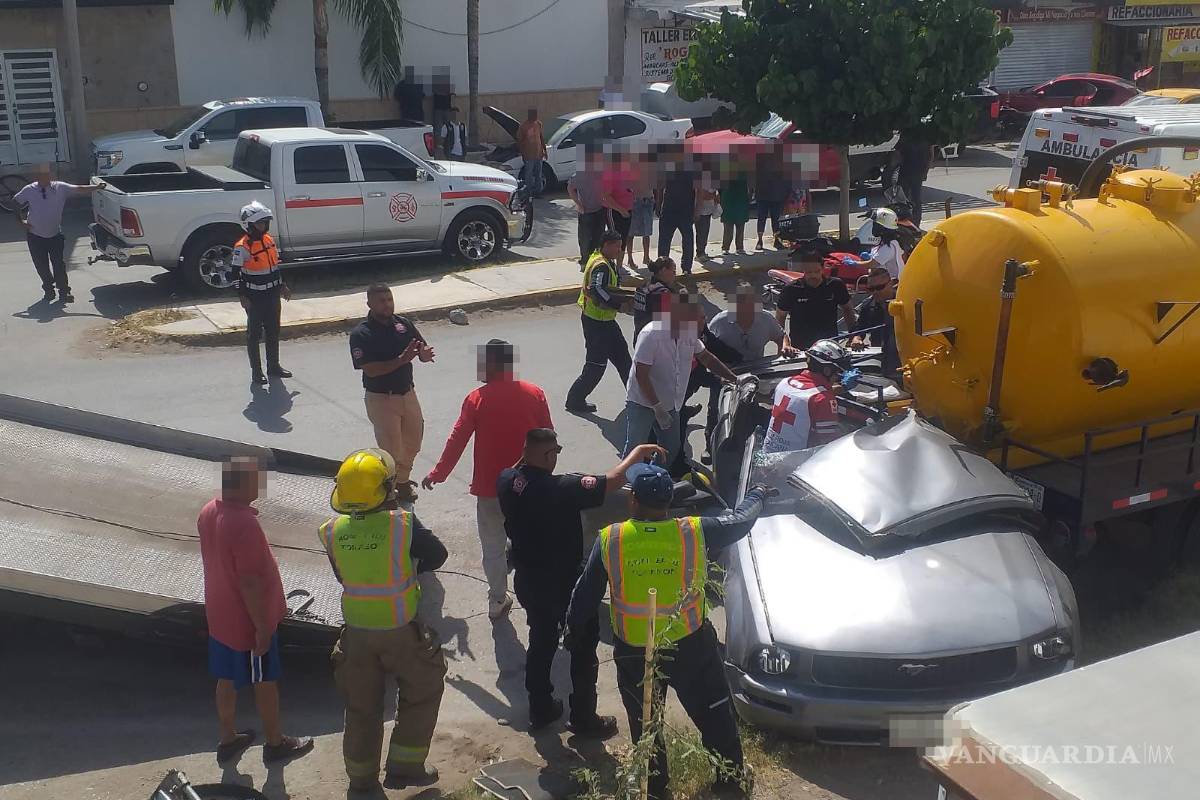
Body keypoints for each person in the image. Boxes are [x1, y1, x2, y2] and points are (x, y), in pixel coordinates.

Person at [566, 464, 771, 800]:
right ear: (668, 502)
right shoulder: (692, 531)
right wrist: (758, 495)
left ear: (633, 500)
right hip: (690, 645)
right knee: (714, 712)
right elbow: (739, 522)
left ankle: (656, 789)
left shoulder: (612, 538)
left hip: (635, 650)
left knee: (645, 722)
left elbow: (585, 594)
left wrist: (573, 631)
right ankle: (730, 780)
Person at [497, 431, 665, 733]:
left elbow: (519, 467)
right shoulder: (561, 488)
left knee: (541, 640)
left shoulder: (507, 481)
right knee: (583, 644)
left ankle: (541, 708)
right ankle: (584, 717)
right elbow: (612, 482)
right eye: (555, 452)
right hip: (563, 583)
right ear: (548, 456)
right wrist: (638, 451)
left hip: (528, 580)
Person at [320, 449, 448, 792]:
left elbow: (342, 573)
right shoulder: (403, 524)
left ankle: (361, 783)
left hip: (357, 635)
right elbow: (438, 554)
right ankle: (405, 768)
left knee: (361, 708)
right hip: (401, 631)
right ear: (388, 489)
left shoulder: (332, 531)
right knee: (422, 691)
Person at [421, 340, 552, 620]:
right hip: (529, 486)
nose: (478, 368)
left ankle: (497, 599)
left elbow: (458, 440)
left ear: (493, 364)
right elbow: (549, 438)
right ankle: (538, 597)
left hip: (491, 490)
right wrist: (545, 479)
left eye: (482, 362)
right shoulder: (534, 393)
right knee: (532, 542)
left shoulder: (477, 398)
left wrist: (438, 473)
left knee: (493, 546)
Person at [198, 456, 313, 766]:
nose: (261, 484)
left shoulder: (209, 510)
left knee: (225, 679)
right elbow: (249, 583)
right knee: (265, 682)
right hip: (247, 625)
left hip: (220, 619)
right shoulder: (244, 524)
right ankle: (276, 744)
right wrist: (262, 628)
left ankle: (227, 739)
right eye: (256, 479)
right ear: (243, 486)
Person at [626, 292, 737, 466]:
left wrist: (734, 379)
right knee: (635, 449)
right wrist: (657, 408)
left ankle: (653, 478)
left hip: (670, 403)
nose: (704, 321)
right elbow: (641, 374)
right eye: (700, 317)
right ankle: (625, 486)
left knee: (670, 448)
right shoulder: (651, 334)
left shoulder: (689, 333)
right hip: (643, 402)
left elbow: (707, 358)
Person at [349, 284, 436, 504]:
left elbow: (420, 349)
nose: (387, 304)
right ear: (369, 304)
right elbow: (370, 369)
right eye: (381, 301)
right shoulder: (361, 334)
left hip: (407, 393)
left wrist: (424, 355)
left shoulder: (403, 325)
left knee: (413, 443)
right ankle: (387, 492)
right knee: (391, 451)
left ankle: (402, 482)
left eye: (389, 299)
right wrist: (401, 360)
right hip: (381, 399)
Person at [13, 162, 105, 304]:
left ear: (51, 176)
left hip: (55, 234)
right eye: (42, 175)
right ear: (37, 177)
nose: (45, 178)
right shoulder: (29, 190)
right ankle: (49, 290)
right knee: (41, 265)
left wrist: (97, 187)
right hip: (35, 235)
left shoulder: (60, 187)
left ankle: (64, 291)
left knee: (58, 264)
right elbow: (15, 203)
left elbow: (79, 189)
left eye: (47, 175)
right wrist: (20, 221)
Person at [565, 231, 632, 414]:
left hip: (606, 321)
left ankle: (636, 398)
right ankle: (574, 400)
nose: (619, 250)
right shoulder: (601, 265)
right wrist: (617, 305)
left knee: (624, 360)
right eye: (616, 246)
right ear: (605, 245)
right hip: (597, 323)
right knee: (596, 365)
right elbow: (597, 289)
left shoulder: (601, 259)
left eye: (620, 246)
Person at [233, 201, 292, 385]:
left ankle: (273, 366)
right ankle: (256, 372)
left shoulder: (268, 240)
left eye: (265, 223)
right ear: (249, 225)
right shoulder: (242, 246)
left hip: (273, 295)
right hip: (254, 298)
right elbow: (235, 274)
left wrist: (283, 285)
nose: (264, 226)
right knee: (254, 335)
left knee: (273, 331)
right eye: (260, 223)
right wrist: (242, 296)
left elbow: (274, 265)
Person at [762, 339, 850, 453]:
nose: (839, 376)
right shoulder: (824, 400)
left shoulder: (784, 383)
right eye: (838, 372)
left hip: (768, 452)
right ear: (827, 370)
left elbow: (808, 394)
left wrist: (842, 387)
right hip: (794, 464)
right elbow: (829, 444)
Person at [775, 249, 855, 351]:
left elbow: (848, 309)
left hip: (829, 346)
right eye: (809, 272)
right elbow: (780, 318)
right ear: (803, 270)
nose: (813, 276)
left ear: (823, 268)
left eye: (816, 271)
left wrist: (853, 335)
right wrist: (785, 343)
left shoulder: (835, 285)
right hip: (800, 349)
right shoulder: (791, 289)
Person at [709, 284, 790, 364]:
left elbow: (781, 336)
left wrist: (785, 347)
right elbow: (706, 347)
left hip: (758, 368)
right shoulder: (719, 322)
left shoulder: (765, 318)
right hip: (729, 370)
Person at [849, 268, 900, 380]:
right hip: (881, 358)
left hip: (903, 355)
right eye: (871, 289)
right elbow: (859, 328)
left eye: (879, 287)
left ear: (890, 283)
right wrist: (856, 338)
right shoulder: (868, 306)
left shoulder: (904, 301)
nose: (875, 292)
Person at [655, 153, 698, 275]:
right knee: (664, 240)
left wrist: (697, 210)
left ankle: (686, 268)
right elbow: (660, 187)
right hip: (669, 209)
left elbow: (698, 190)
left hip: (685, 210)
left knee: (687, 240)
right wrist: (658, 204)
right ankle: (662, 268)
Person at [840, 207, 905, 281]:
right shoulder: (891, 242)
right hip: (888, 280)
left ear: (881, 228)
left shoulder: (889, 247)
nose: (873, 227)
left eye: (875, 224)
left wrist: (854, 263)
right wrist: (871, 256)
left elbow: (872, 264)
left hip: (893, 285)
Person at [568, 148, 608, 266]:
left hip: (600, 209)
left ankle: (594, 259)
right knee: (585, 238)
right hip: (585, 211)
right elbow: (570, 188)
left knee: (599, 237)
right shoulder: (580, 175)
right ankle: (585, 260)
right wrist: (578, 204)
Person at [631, 256, 678, 342]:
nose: (675, 275)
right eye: (673, 271)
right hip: (656, 344)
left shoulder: (642, 287)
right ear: (663, 270)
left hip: (639, 339)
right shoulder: (662, 293)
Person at [602, 148, 636, 253]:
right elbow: (606, 196)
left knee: (623, 239)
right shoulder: (610, 174)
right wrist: (621, 210)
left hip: (628, 210)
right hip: (614, 211)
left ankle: (619, 266)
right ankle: (612, 263)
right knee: (614, 238)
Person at [897, 132, 934, 225]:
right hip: (916, 172)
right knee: (914, 199)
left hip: (907, 172)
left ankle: (909, 221)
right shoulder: (925, 138)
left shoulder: (906, 137)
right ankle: (914, 221)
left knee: (906, 198)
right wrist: (926, 171)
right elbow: (930, 156)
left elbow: (898, 153)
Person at [754, 154, 789, 250]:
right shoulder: (759, 160)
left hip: (777, 195)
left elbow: (787, 179)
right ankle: (760, 240)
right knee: (762, 218)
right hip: (763, 195)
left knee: (776, 219)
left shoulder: (782, 161)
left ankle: (777, 240)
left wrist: (786, 193)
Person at [628, 152, 656, 268]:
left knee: (647, 232)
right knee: (630, 233)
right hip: (635, 203)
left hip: (648, 201)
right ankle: (630, 258)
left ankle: (646, 257)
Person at [719, 168, 750, 255]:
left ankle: (739, 247)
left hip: (740, 199)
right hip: (729, 199)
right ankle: (726, 247)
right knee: (728, 226)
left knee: (740, 226)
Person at [517, 108, 547, 196]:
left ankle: (538, 192)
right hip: (528, 155)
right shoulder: (523, 126)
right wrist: (523, 154)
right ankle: (528, 192)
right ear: (529, 115)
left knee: (538, 174)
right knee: (528, 174)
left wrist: (544, 150)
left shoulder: (538, 124)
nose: (536, 117)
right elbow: (519, 141)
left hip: (539, 154)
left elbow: (541, 137)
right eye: (534, 115)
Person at [695, 163, 718, 260]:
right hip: (701, 210)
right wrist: (713, 196)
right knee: (701, 232)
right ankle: (699, 253)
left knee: (704, 232)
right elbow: (703, 195)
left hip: (708, 210)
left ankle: (702, 251)